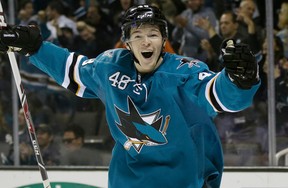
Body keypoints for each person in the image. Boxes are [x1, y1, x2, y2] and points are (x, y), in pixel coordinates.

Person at [0, 4, 260, 188]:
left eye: (153, 35)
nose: (146, 42)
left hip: (184, 180)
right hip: (128, 181)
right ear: (127, 43)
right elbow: (73, 69)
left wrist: (240, 81)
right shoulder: (110, 66)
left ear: (163, 40)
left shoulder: (184, 73)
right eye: (138, 36)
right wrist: (36, 47)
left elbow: (219, 95)